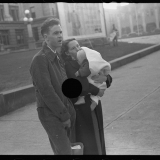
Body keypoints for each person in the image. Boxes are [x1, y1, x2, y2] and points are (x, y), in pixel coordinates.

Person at [29, 18, 76, 155]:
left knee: (66, 150)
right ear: (45, 37)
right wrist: (64, 115)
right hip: (50, 112)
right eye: (56, 33)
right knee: (64, 152)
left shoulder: (57, 56)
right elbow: (46, 91)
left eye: (61, 32)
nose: (60, 36)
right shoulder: (40, 59)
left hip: (62, 110)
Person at [60, 38, 112, 155]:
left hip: (94, 103)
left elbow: (105, 72)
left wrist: (105, 78)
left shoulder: (88, 59)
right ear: (67, 53)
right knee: (90, 140)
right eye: (73, 48)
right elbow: (80, 85)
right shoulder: (69, 65)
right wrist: (97, 90)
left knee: (98, 135)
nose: (78, 49)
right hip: (83, 107)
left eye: (78, 46)